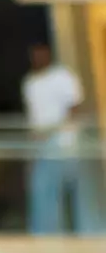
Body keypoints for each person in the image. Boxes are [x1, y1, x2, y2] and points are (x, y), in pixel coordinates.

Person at [23, 42, 84, 236]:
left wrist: (52, 131)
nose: (38, 58)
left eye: (41, 53)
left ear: (49, 54)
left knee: (70, 195)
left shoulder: (63, 76)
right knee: (41, 192)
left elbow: (74, 107)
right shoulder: (30, 83)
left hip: (64, 145)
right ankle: (44, 238)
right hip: (40, 147)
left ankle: (78, 236)